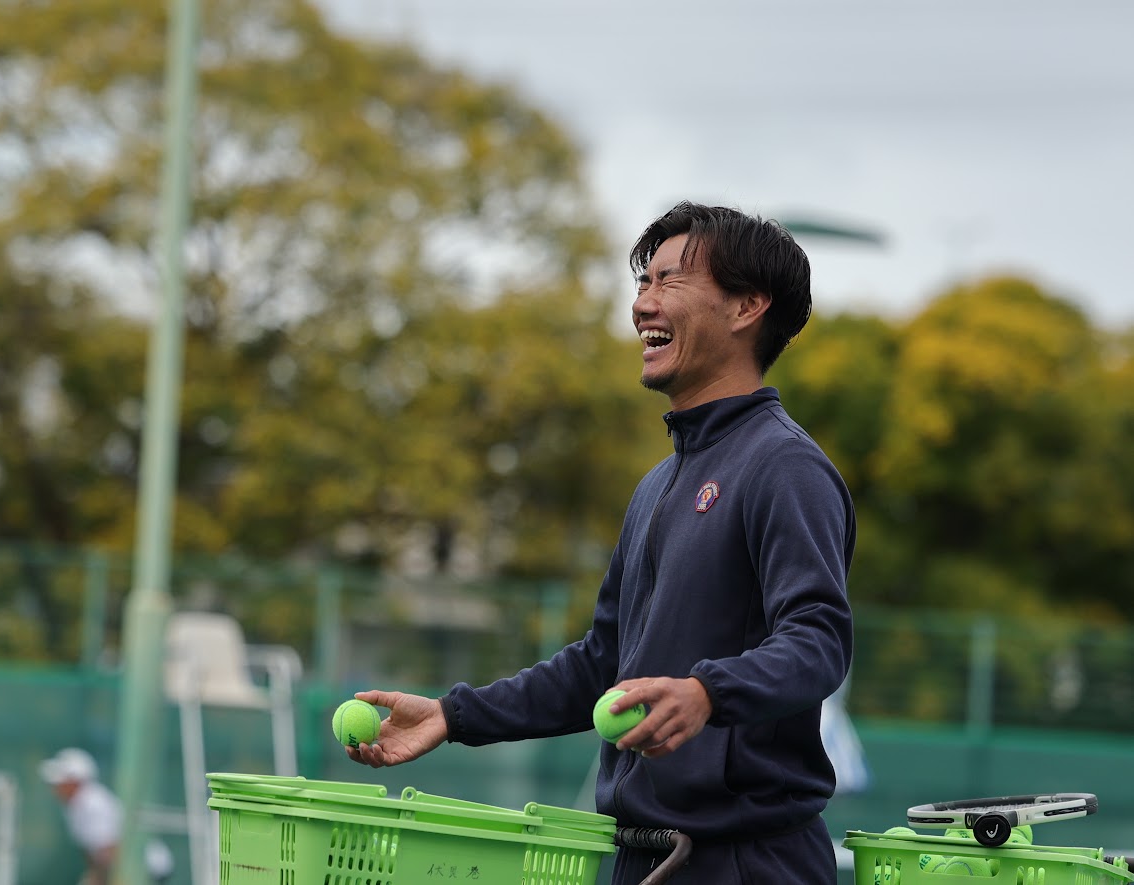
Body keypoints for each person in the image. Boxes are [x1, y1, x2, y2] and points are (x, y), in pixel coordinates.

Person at [347, 201, 856, 883]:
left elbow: (818, 639)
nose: (643, 303)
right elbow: (601, 663)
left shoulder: (783, 467)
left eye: (668, 281)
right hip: (642, 857)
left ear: (745, 307)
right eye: (642, 283)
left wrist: (706, 691)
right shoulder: (656, 485)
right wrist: (452, 712)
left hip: (746, 862)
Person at [40, 747, 175, 885]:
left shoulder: (94, 803)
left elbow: (111, 850)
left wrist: (103, 880)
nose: (55, 786)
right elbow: (91, 852)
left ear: (75, 781)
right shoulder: (74, 807)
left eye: (61, 780)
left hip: (150, 868)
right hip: (125, 869)